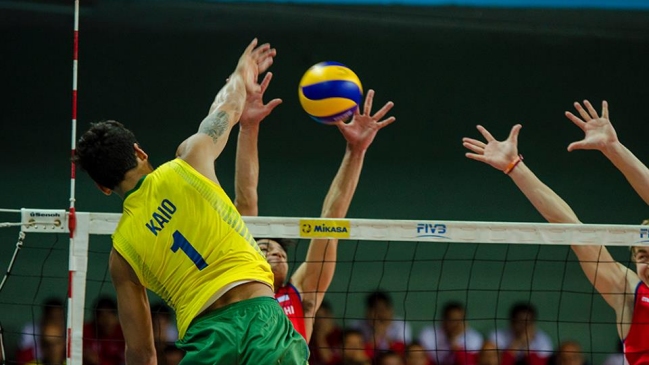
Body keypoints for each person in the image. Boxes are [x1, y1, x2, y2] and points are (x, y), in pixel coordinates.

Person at [74, 39, 308, 364]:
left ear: (103, 187)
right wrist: (243, 71)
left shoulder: (122, 253)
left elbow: (142, 352)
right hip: (262, 321)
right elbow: (227, 108)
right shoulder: (190, 159)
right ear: (140, 152)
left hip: (208, 345)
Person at [461, 100, 649, 365]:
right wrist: (514, 167)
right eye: (642, 255)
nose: (648, 264)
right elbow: (569, 225)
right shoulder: (629, 293)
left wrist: (614, 148)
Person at [233, 69, 395, 343]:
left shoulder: (300, 295)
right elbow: (246, 200)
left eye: (277, 249)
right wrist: (248, 126)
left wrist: (356, 152)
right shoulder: (238, 289)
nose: (275, 251)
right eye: (263, 247)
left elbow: (331, 219)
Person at [419, 301, 483, 365]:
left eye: (460, 320)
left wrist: (455, 343)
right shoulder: (428, 335)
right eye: (453, 320)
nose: (456, 325)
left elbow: (470, 362)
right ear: (443, 320)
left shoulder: (475, 338)